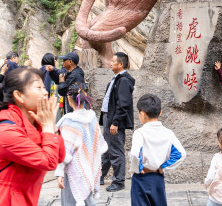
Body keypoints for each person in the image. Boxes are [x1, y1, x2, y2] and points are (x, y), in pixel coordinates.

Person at [0, 67, 65, 206]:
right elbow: (48, 161)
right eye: (38, 88)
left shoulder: (36, 123)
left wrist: (51, 126)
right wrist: (47, 127)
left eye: (44, 87)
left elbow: (59, 156)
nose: (45, 93)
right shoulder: (6, 131)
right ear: (19, 96)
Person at [129, 94, 186, 206]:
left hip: (141, 178)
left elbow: (135, 154)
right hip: (158, 178)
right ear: (160, 112)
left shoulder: (140, 133)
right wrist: (164, 166)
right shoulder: (168, 133)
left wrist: (138, 168)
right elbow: (181, 154)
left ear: (142, 113)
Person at [56, 83, 107, 206]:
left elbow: (64, 151)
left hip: (73, 168)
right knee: (88, 200)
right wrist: (98, 167)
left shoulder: (68, 121)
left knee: (71, 200)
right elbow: (97, 145)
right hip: (89, 166)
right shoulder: (92, 117)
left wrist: (59, 172)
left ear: (69, 99)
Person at [100, 52, 136, 192]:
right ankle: (100, 176)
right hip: (108, 118)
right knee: (107, 149)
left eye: (113, 61)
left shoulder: (124, 81)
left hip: (114, 121)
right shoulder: (116, 79)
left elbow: (124, 104)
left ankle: (119, 181)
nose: (110, 63)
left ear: (121, 64)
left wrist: (115, 122)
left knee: (116, 151)